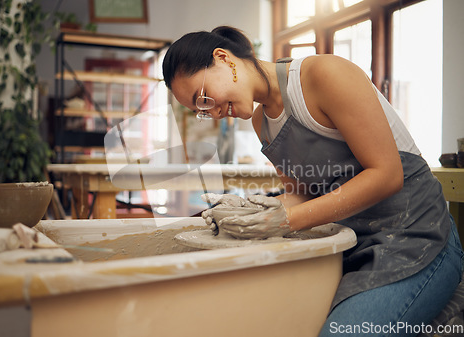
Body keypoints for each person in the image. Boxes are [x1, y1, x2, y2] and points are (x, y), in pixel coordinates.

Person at [162, 26, 464, 336]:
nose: (210, 113)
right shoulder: (261, 123)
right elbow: (301, 195)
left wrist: (285, 220)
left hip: (418, 239)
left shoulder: (323, 75)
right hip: (352, 244)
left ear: (223, 59)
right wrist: (245, 211)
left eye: (203, 98)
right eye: (199, 110)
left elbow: (387, 175)